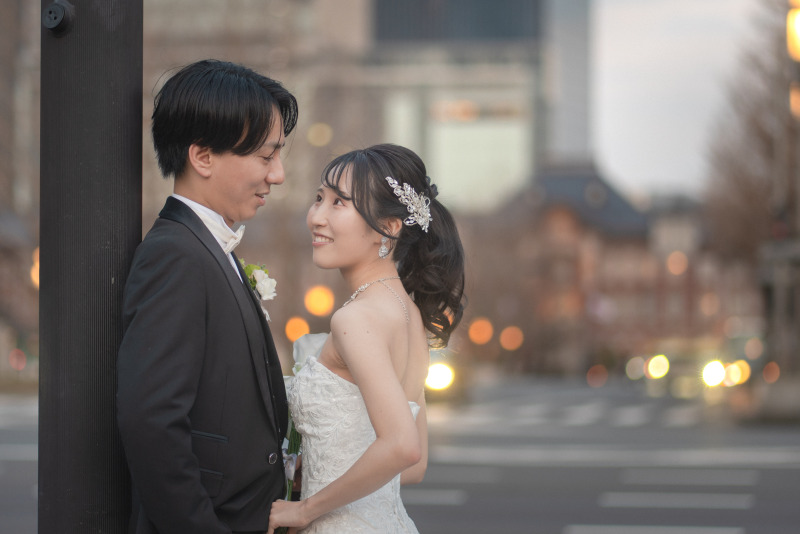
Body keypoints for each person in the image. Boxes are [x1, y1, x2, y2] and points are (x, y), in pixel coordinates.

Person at [117, 59, 298, 534]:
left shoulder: (209, 249)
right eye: (265, 156)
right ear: (202, 157)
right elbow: (153, 422)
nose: (277, 175)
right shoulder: (175, 256)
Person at [268, 144, 466, 533]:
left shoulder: (355, 319)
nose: (317, 218)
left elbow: (402, 447)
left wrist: (305, 509)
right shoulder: (409, 314)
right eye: (319, 198)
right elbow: (416, 464)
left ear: (390, 227)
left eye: (339, 204)